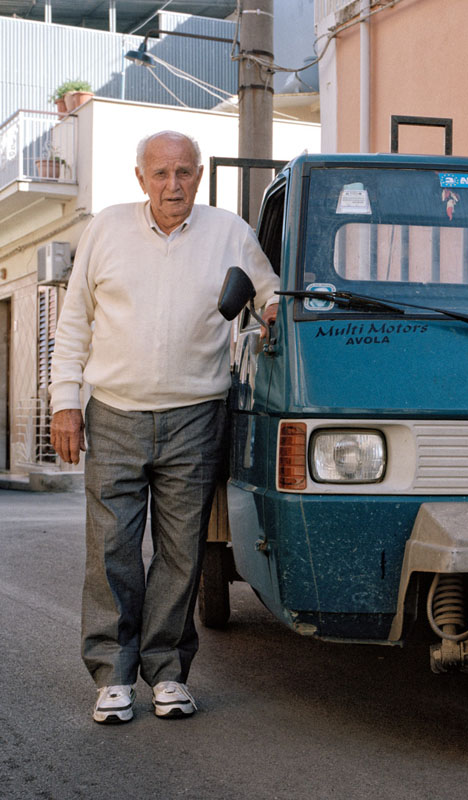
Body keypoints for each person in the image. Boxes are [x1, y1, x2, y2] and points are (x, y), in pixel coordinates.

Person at [49, 130, 279, 724]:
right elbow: (74, 320)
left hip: (196, 416)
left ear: (199, 176)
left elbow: (268, 293)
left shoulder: (230, 232)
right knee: (113, 549)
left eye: (184, 173)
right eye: (160, 174)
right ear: (140, 178)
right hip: (116, 411)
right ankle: (113, 675)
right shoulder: (105, 229)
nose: (172, 185)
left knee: (181, 554)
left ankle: (169, 673)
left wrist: (274, 310)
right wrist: (64, 402)